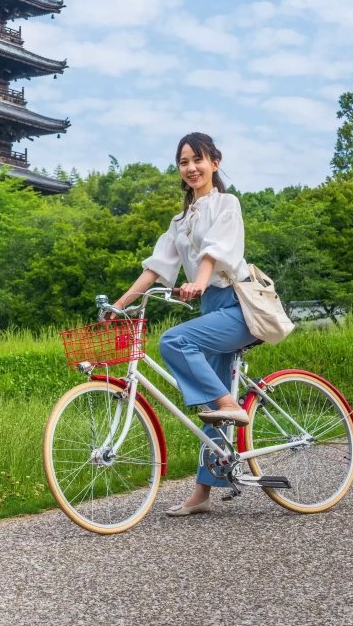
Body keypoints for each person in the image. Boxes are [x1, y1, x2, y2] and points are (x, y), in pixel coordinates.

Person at [111, 132, 255, 517]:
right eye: (184, 162)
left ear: (215, 163)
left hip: (236, 306)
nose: (191, 168)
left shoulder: (227, 203)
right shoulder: (181, 220)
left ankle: (231, 404)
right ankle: (203, 493)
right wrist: (121, 303)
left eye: (198, 160)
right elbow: (157, 267)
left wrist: (200, 281)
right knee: (213, 403)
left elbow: (215, 252)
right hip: (211, 308)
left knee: (174, 342)